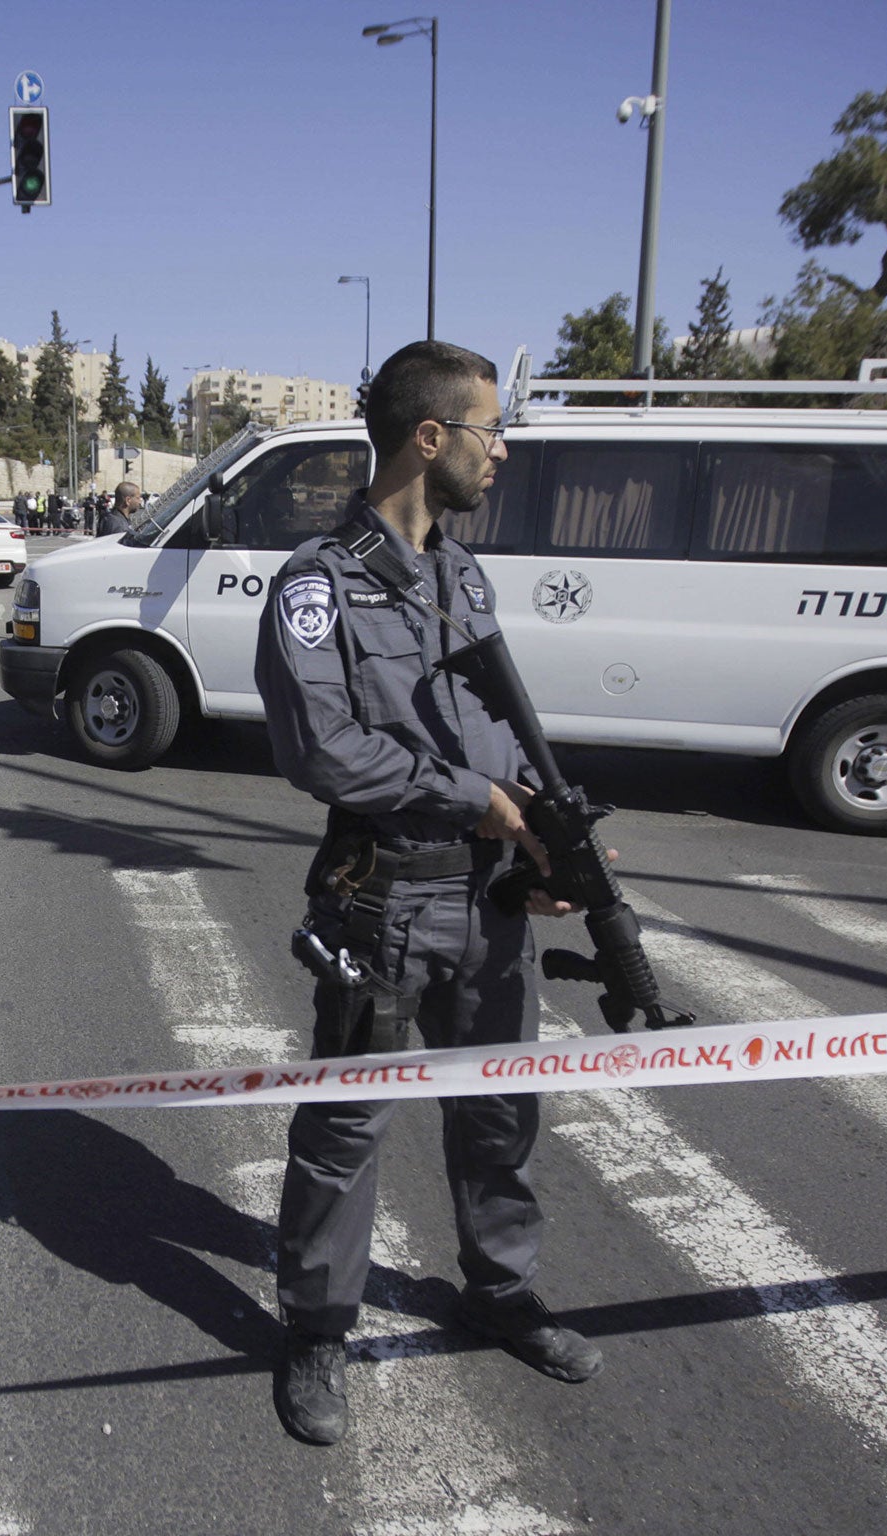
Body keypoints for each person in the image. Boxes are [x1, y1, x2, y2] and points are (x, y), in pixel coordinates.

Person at [254, 340, 604, 1448]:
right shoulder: (315, 584)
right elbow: (325, 751)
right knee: (348, 1128)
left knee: (500, 1112)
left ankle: (499, 1295)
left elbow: (493, 727)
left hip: (486, 906)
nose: (500, 450)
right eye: (488, 429)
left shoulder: (463, 573)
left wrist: (535, 846)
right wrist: (478, 803)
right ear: (428, 436)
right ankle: (315, 1328)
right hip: (386, 904)